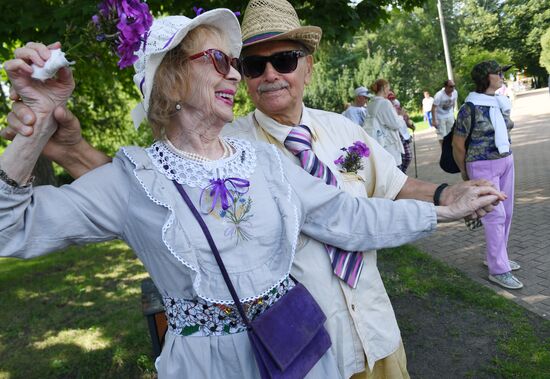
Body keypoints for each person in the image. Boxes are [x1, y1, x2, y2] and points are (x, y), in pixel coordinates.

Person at [3, 1, 502, 377]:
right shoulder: (134, 178)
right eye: (222, 60)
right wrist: (38, 120)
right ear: (172, 79)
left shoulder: (262, 159)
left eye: (233, 62)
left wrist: (442, 208)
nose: (237, 74)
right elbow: (12, 228)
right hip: (209, 366)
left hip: (299, 350)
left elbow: (345, 216)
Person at [452, 60, 522, 290]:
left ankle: (496, 256)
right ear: (486, 77)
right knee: (495, 216)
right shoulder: (469, 107)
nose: (502, 75)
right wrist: (465, 172)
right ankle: (498, 270)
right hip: (482, 166)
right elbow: (458, 144)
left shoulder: (498, 102)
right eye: (498, 72)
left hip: (505, 161)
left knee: (508, 212)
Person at [363, 79, 406, 168]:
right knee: (395, 172)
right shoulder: (385, 103)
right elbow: (395, 124)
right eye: (388, 88)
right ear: (384, 88)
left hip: (378, 141)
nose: (389, 91)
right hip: (389, 143)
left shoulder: (371, 103)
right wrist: (401, 116)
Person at [387, 91, 415, 174]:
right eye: (390, 98)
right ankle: (401, 174)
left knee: (408, 156)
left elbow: (405, 116)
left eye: (393, 98)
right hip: (395, 134)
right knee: (401, 157)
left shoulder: (397, 103)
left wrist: (410, 124)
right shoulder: (386, 107)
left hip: (403, 133)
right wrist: (401, 115)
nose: (392, 100)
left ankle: (402, 172)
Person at [432, 80, 458, 146]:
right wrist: (434, 120)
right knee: (443, 135)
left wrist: (452, 114)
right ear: (446, 87)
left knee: (451, 133)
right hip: (440, 116)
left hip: (449, 115)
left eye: (454, 86)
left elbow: (453, 103)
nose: (453, 88)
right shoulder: (439, 95)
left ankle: (451, 149)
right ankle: (444, 150)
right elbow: (433, 108)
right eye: (451, 86)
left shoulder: (455, 93)